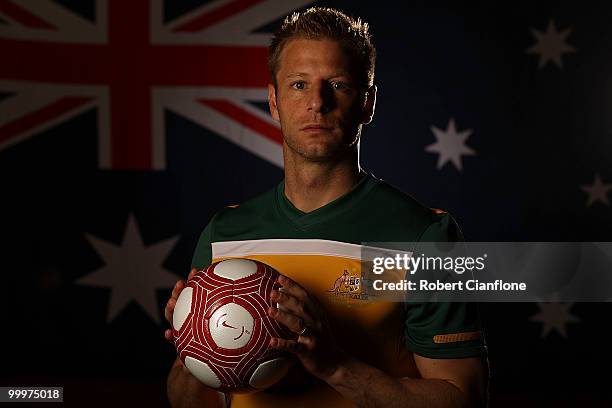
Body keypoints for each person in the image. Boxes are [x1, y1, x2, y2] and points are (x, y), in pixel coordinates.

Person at [164, 7, 488, 408]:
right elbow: (186, 403)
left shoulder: (424, 237)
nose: (317, 102)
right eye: (299, 85)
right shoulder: (226, 234)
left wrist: (335, 366)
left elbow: (464, 399)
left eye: (338, 85)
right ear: (274, 101)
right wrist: (194, 347)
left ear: (367, 103)